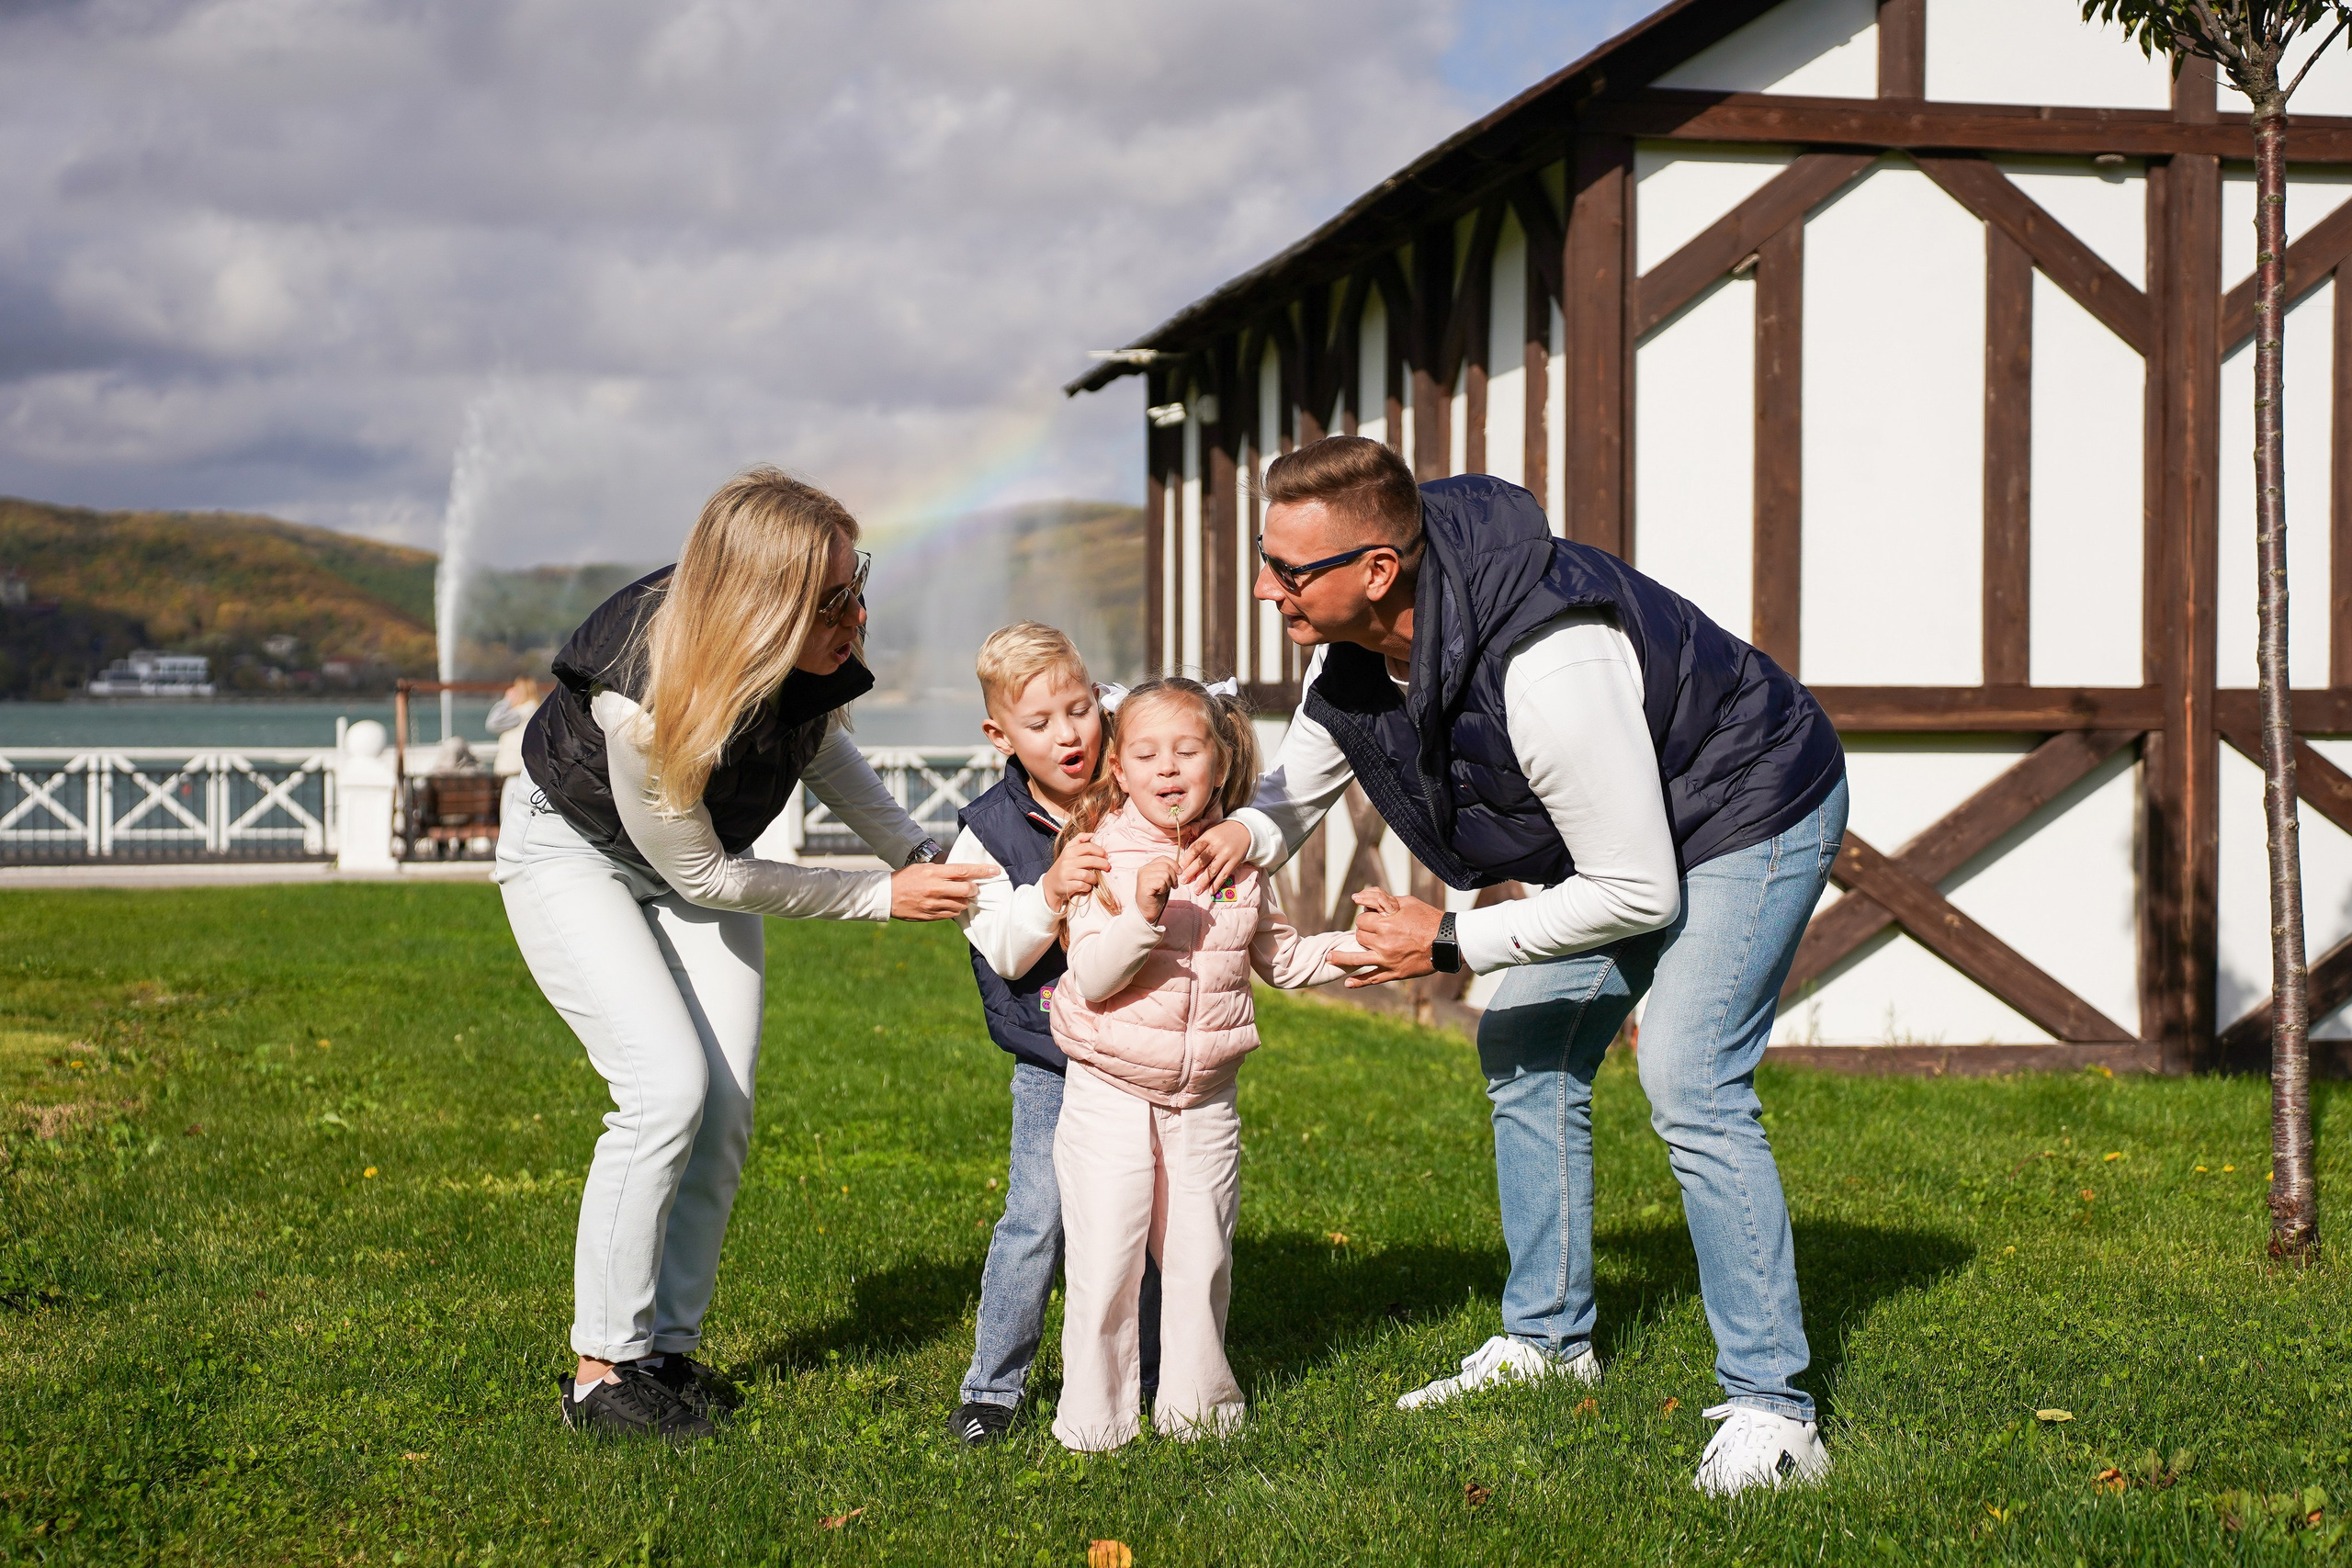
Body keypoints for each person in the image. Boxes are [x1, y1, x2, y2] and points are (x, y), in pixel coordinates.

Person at [1182, 436, 1848, 1498]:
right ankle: (1548, 1345)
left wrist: (1445, 941)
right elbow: (1294, 795)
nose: (1267, 591)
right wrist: (1234, 842)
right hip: (1635, 831)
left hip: (1748, 805)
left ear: (1377, 573)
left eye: (1290, 572)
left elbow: (1637, 892)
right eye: (1267, 562)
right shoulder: (1351, 649)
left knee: (1689, 1078)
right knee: (1525, 1039)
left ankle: (1776, 1410)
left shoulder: (1548, 666)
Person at [498, 465, 995, 1442]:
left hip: (698, 854)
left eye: (860, 584)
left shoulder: (799, 658)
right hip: (573, 848)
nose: (859, 616)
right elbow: (707, 880)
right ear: (761, 611)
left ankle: (664, 1356)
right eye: (835, 602)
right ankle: (601, 1376)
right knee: (663, 1088)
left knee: (722, 1107)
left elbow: (818, 748)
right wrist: (881, 897)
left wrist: (912, 850)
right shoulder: (636, 700)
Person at [1045, 676, 1358, 1452]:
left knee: (1199, 1257)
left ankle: (1199, 1416)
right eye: (1147, 754)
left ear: (1221, 764)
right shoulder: (1099, 854)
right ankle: (1093, 1426)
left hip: (1206, 1097)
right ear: (1119, 770)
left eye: (1188, 751)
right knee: (1108, 1259)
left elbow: (1280, 958)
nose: (1168, 769)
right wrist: (1144, 915)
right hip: (1111, 1093)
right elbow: (1090, 976)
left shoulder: (1242, 864)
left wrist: (1362, 949)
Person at [942, 624, 1162, 1447]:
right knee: (1038, 1216)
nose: (1069, 733)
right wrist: (1048, 890)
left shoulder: (1133, 785)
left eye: (1080, 709)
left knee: (1144, 1217)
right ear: (1001, 736)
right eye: (1041, 722)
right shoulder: (987, 833)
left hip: (1140, 1047)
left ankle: (1149, 1374)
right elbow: (1002, 946)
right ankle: (992, 1390)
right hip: (1054, 1059)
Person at [487, 675, 547, 779]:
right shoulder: (536, 709)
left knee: (511, 794)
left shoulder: (524, 711)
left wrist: (506, 701)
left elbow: (493, 723)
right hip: (526, 768)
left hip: (516, 770)